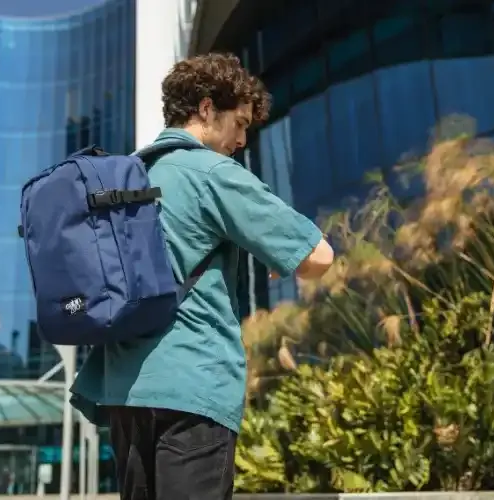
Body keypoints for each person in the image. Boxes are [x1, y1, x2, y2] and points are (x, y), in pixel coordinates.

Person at [70, 52, 334, 500]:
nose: (243, 139)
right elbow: (318, 257)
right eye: (240, 123)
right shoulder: (211, 172)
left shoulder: (124, 178)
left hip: (124, 396)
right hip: (192, 389)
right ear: (207, 109)